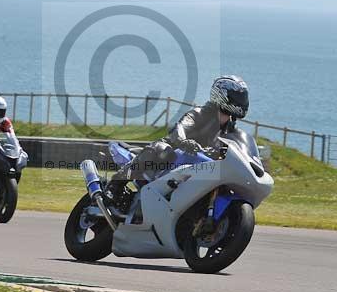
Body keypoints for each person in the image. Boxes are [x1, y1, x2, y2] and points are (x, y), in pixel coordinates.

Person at [106, 75, 250, 202]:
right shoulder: (199, 113)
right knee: (161, 149)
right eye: (238, 97)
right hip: (177, 155)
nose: (242, 102)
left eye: (243, 97)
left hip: (201, 166)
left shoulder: (230, 129)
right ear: (222, 95)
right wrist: (183, 141)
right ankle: (115, 185)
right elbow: (181, 127)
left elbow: (239, 147)